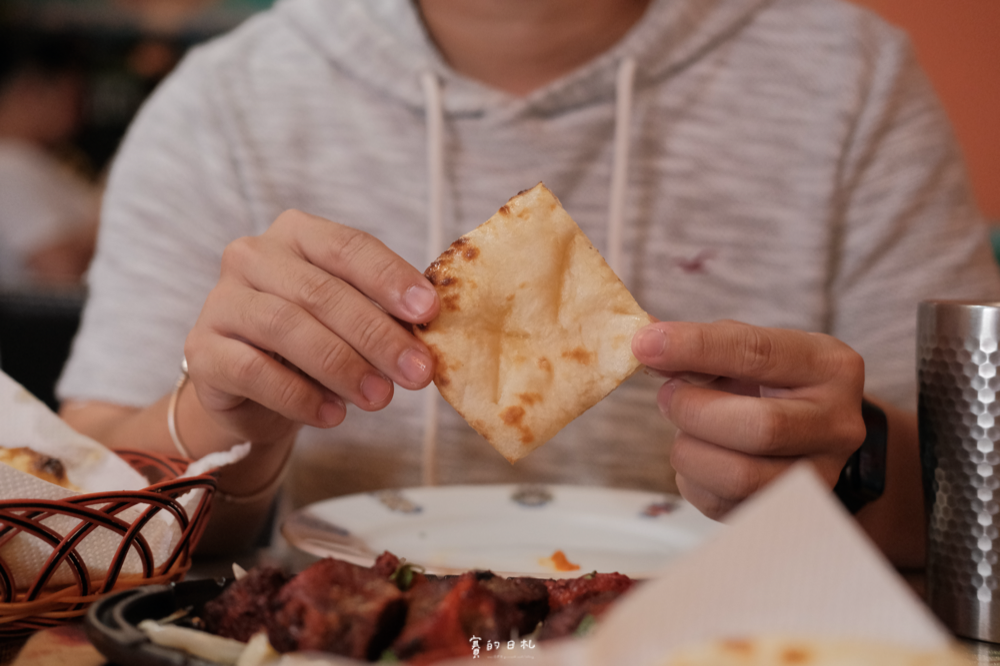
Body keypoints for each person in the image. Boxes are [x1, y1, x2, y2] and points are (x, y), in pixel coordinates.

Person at [56, 0, 1000, 565]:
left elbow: (977, 508)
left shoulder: (850, 80)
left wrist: (850, 468)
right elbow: (64, 518)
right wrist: (225, 427)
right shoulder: (221, 104)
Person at [0, 31, 99, 288]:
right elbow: (61, 271)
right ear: (30, 92)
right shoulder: (9, 164)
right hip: (53, 325)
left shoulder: (33, 161)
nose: (81, 106)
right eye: (74, 91)